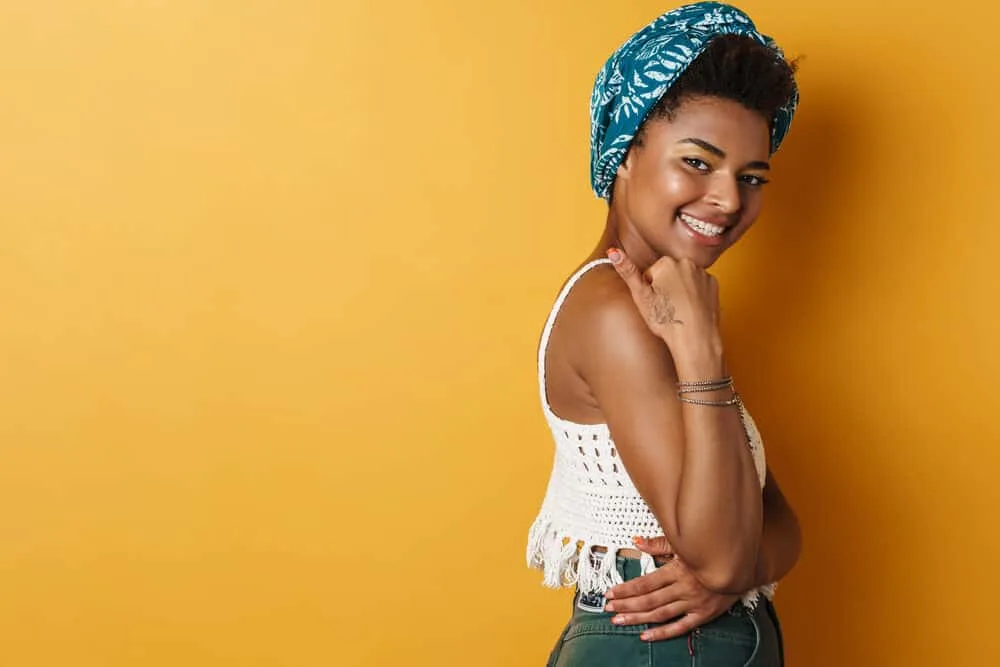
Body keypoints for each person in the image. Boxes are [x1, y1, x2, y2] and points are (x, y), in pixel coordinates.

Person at [525, 3, 803, 665]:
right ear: (625, 153)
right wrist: (704, 353)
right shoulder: (615, 311)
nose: (730, 199)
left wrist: (732, 572)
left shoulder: (665, 307)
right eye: (698, 162)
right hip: (656, 649)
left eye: (751, 176)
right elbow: (724, 552)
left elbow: (781, 526)